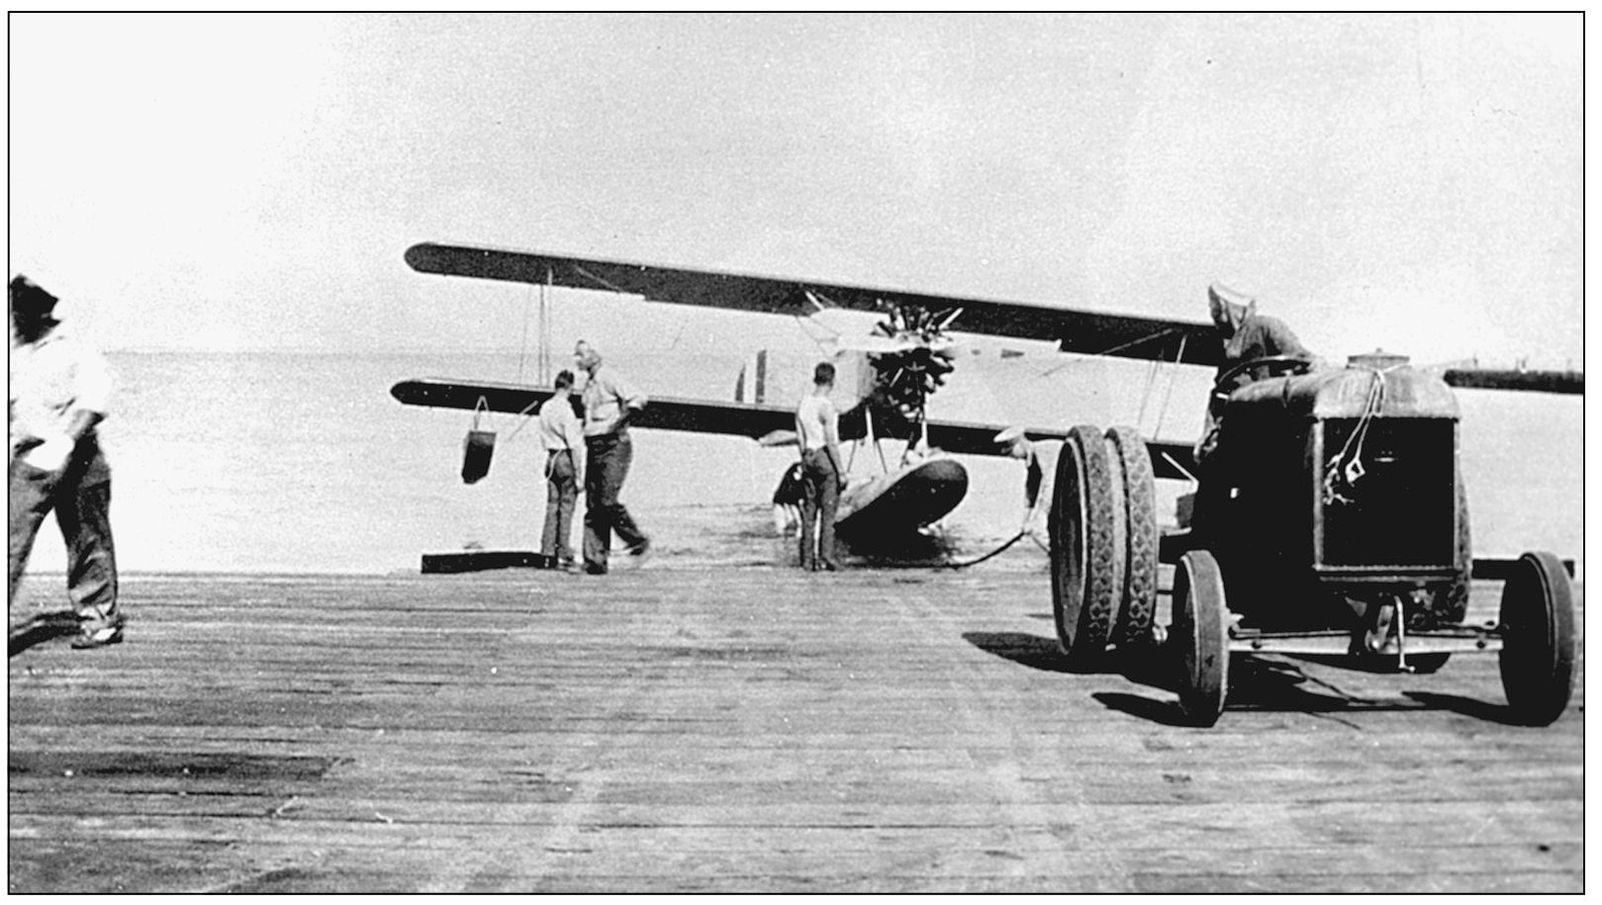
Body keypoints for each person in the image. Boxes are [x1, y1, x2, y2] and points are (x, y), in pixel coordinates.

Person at [8, 274, 123, 649]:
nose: (14, 320)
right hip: (29, 461)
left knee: (88, 541)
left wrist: (65, 441)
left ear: (42, 311)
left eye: (21, 312)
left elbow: (93, 402)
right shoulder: (12, 351)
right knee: (9, 542)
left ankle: (99, 621)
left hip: (81, 459)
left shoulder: (76, 348)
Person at [1194, 282, 1315, 468]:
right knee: (1211, 461)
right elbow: (1218, 396)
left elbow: (1305, 361)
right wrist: (1207, 432)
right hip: (1237, 426)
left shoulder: (1266, 326)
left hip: (1269, 422)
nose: (1211, 312)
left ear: (1225, 306)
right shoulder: (1228, 348)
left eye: (1213, 306)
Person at [574, 341, 650, 574]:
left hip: (614, 444)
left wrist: (620, 422)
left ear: (595, 356)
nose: (577, 359)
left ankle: (636, 539)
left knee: (607, 500)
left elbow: (638, 397)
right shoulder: (588, 385)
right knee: (593, 504)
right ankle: (595, 560)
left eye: (581, 354)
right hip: (594, 446)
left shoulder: (609, 377)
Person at [794, 362, 846, 571]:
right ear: (832, 381)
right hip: (824, 458)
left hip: (807, 456)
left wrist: (806, 459)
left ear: (815, 378)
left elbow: (800, 436)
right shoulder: (827, 407)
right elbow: (831, 442)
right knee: (828, 512)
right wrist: (841, 471)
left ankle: (806, 560)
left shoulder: (803, 404)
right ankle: (826, 558)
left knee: (809, 511)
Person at [537, 369, 585, 571]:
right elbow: (575, 445)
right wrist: (579, 475)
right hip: (564, 457)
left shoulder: (545, 407)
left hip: (550, 458)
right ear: (569, 388)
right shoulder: (566, 411)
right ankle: (564, 552)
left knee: (551, 506)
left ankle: (547, 554)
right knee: (567, 508)